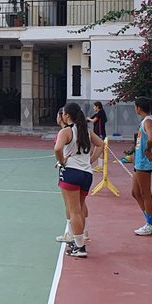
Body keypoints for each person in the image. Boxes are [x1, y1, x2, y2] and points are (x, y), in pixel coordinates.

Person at [54, 103, 104, 258]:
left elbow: (57, 149)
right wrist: (90, 160)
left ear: (67, 115)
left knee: (74, 210)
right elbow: (101, 144)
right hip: (86, 174)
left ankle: (79, 246)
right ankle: (79, 239)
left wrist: (62, 161)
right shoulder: (86, 131)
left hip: (71, 173)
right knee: (80, 208)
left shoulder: (66, 131)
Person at [132, 97, 152, 236]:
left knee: (145, 193)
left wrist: (148, 150)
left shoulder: (148, 121)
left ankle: (151, 224)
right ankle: (151, 222)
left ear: (139, 108)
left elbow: (151, 138)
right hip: (139, 161)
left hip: (144, 162)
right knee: (135, 192)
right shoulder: (146, 121)